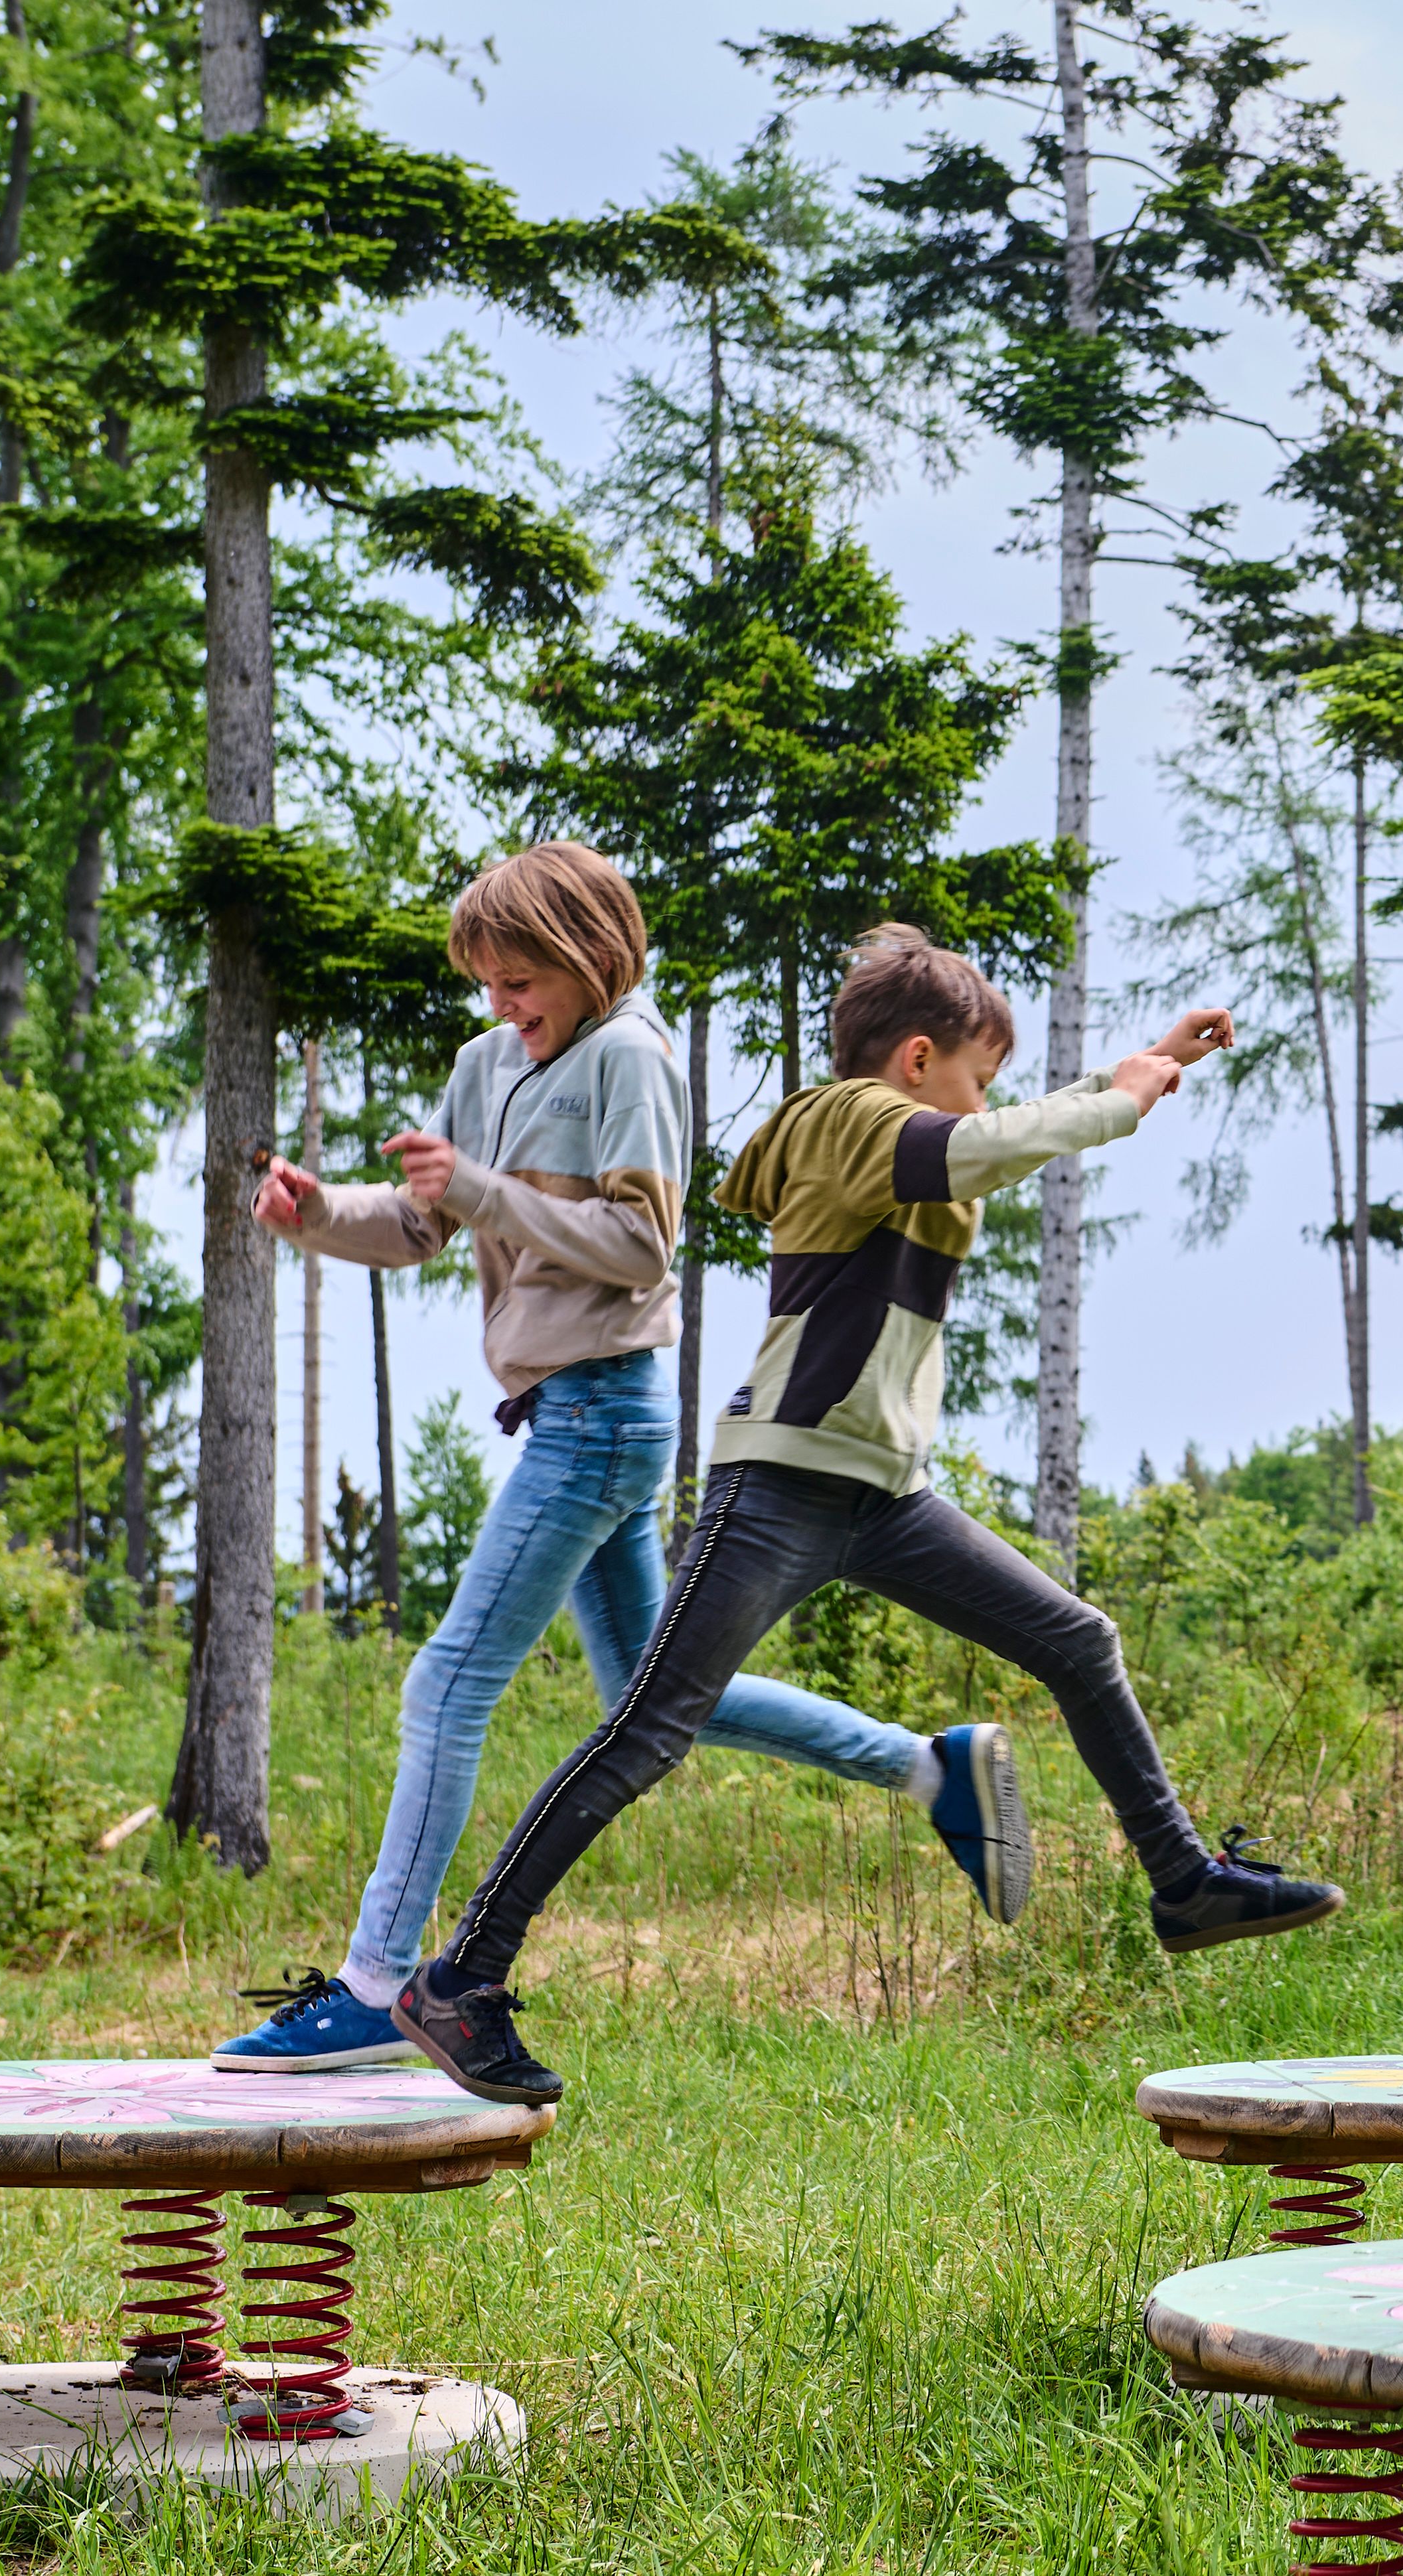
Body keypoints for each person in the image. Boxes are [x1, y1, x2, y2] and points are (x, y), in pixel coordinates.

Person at [390, 925, 1341, 2106]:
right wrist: (1130, 1093)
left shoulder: (898, 1125)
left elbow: (993, 1134)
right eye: (976, 1078)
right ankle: (459, 1980)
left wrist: (1138, 1064)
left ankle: (1184, 1879)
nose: (982, 1102)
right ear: (916, 1059)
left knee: (1078, 1641)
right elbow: (993, 1145)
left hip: (884, 1494)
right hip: (782, 1480)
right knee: (649, 1728)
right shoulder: (850, 1120)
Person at [220, 845, 1026, 2074]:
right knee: (646, 1696)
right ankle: (928, 1764)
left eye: (520, 977)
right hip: (563, 1415)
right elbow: (426, 1221)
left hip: (607, 1414)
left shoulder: (630, 1059)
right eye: (486, 982)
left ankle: (379, 1985)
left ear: (590, 951)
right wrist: (319, 1215)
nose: (500, 1002)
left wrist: (485, 1190)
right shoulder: (485, 1065)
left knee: (445, 1685)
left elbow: (643, 1247)